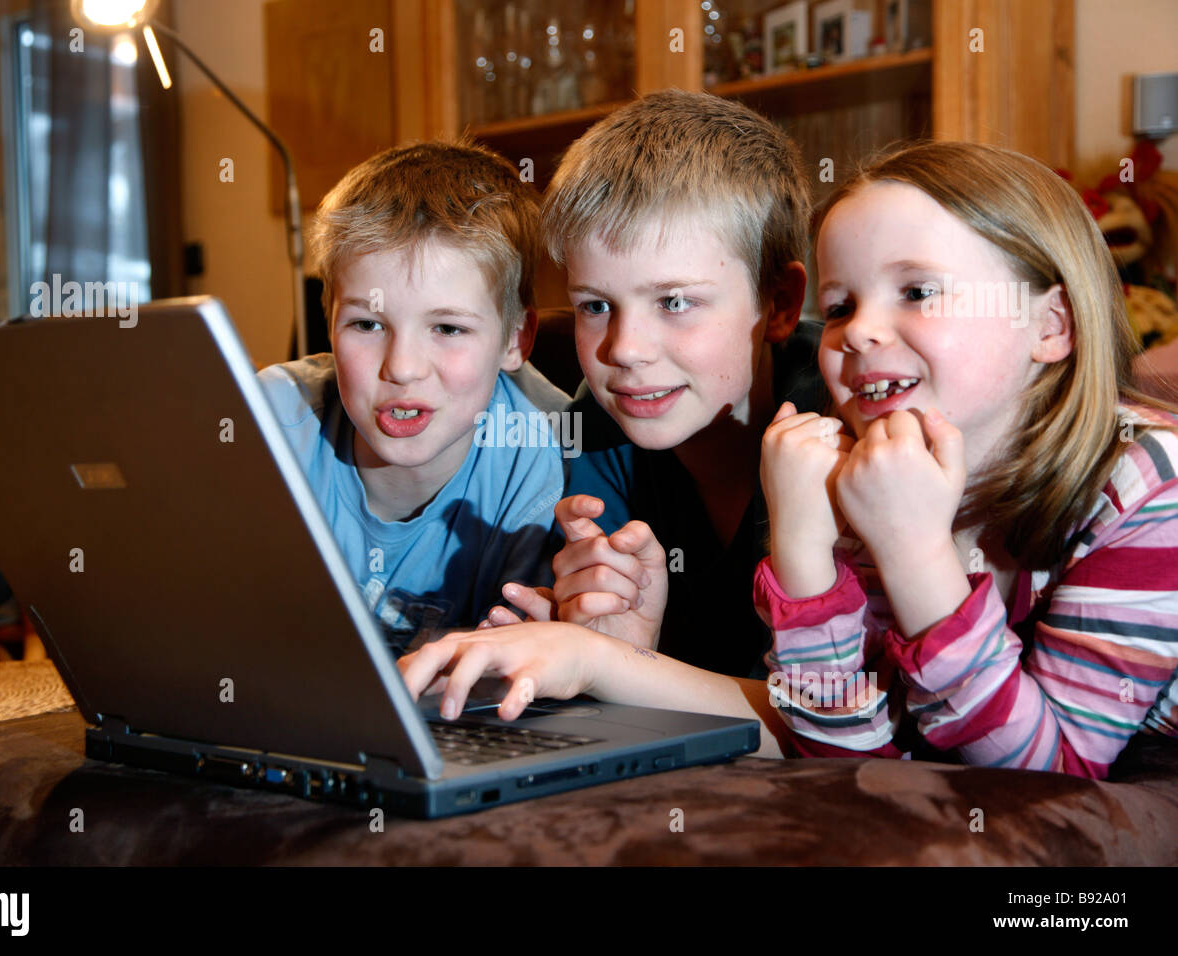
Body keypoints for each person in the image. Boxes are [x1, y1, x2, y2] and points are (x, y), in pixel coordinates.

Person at [401, 140, 1178, 778]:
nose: (861, 331)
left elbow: (1049, 780)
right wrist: (804, 556)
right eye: (843, 306)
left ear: (1051, 325)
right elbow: (850, 756)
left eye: (918, 292)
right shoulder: (856, 472)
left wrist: (911, 553)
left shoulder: (1145, 488)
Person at [484, 89, 824, 681]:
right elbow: (615, 655)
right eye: (595, 305)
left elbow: (838, 723)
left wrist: (611, 669)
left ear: (780, 303)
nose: (625, 349)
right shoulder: (596, 428)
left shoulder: (845, 418)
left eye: (674, 301)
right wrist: (580, 638)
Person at [257, 139, 569, 656]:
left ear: (515, 339)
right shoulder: (270, 423)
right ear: (329, 323)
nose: (402, 367)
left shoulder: (542, 458)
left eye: (447, 328)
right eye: (367, 323)